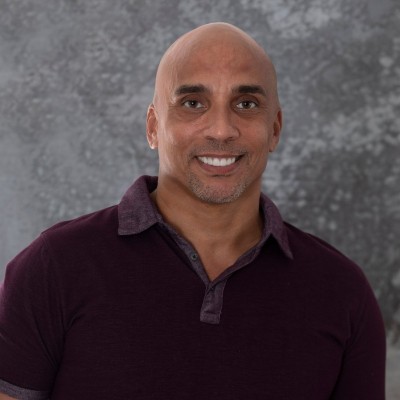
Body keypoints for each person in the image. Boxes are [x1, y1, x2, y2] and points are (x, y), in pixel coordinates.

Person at [0, 22, 386, 399]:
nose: (221, 130)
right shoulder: (54, 268)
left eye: (246, 104)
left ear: (274, 129)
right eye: (192, 103)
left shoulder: (343, 292)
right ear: (153, 127)